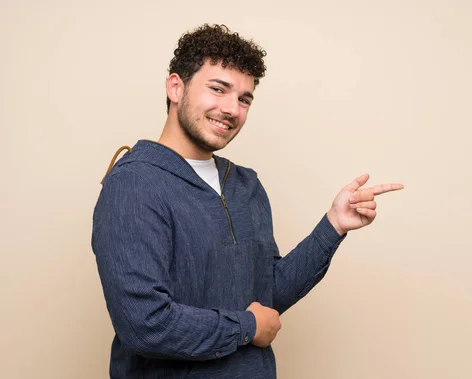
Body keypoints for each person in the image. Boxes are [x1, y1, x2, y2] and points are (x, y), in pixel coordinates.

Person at [92, 24, 403, 379]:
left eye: (244, 98)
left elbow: (267, 296)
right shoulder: (134, 183)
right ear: (176, 87)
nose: (231, 109)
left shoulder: (245, 184)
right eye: (217, 89)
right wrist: (248, 327)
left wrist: (333, 225)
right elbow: (144, 324)